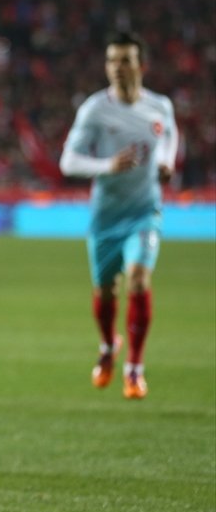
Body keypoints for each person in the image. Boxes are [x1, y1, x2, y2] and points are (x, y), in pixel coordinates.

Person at [58, 32, 178, 399]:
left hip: (145, 211)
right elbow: (68, 161)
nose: (117, 67)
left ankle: (134, 368)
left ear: (142, 66)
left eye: (125, 60)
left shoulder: (160, 106)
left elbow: (169, 136)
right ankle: (110, 344)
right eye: (112, 60)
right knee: (106, 290)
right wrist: (107, 165)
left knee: (138, 280)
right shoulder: (95, 109)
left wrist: (166, 161)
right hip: (106, 217)